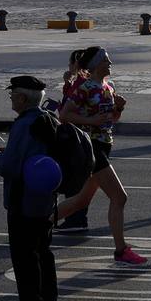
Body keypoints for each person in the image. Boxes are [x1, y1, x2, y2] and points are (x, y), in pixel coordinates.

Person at [54, 47, 146, 264]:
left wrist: (118, 109)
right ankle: (121, 250)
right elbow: (65, 115)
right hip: (91, 147)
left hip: (104, 145)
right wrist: (92, 122)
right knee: (119, 197)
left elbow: (110, 121)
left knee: (80, 201)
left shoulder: (107, 87)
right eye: (106, 60)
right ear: (95, 65)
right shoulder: (84, 88)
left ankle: (38, 226)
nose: (110, 62)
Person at [0, 75, 60, 301]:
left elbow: (12, 167)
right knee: (44, 256)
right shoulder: (49, 119)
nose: (10, 98)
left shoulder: (23, 125)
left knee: (25, 260)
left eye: (12, 94)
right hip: (45, 201)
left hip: (22, 202)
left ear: (22, 97)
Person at [53, 49, 89, 231]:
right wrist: (67, 82)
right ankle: (76, 218)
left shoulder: (82, 85)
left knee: (75, 182)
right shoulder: (79, 83)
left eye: (70, 63)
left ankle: (76, 219)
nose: (68, 67)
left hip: (75, 138)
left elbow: (67, 110)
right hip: (77, 136)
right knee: (78, 181)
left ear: (76, 64)